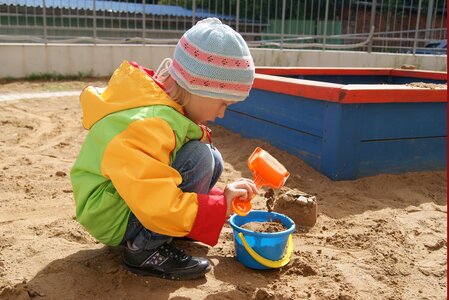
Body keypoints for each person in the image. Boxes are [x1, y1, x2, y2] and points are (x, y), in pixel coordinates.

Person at [70, 18, 257, 280]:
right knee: (201, 157)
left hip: (128, 201)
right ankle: (144, 249)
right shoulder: (150, 123)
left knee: (210, 157)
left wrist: (219, 202)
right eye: (223, 103)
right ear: (199, 87)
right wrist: (216, 209)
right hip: (111, 216)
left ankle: (171, 229)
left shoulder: (166, 112)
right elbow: (156, 200)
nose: (222, 114)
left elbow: (158, 181)